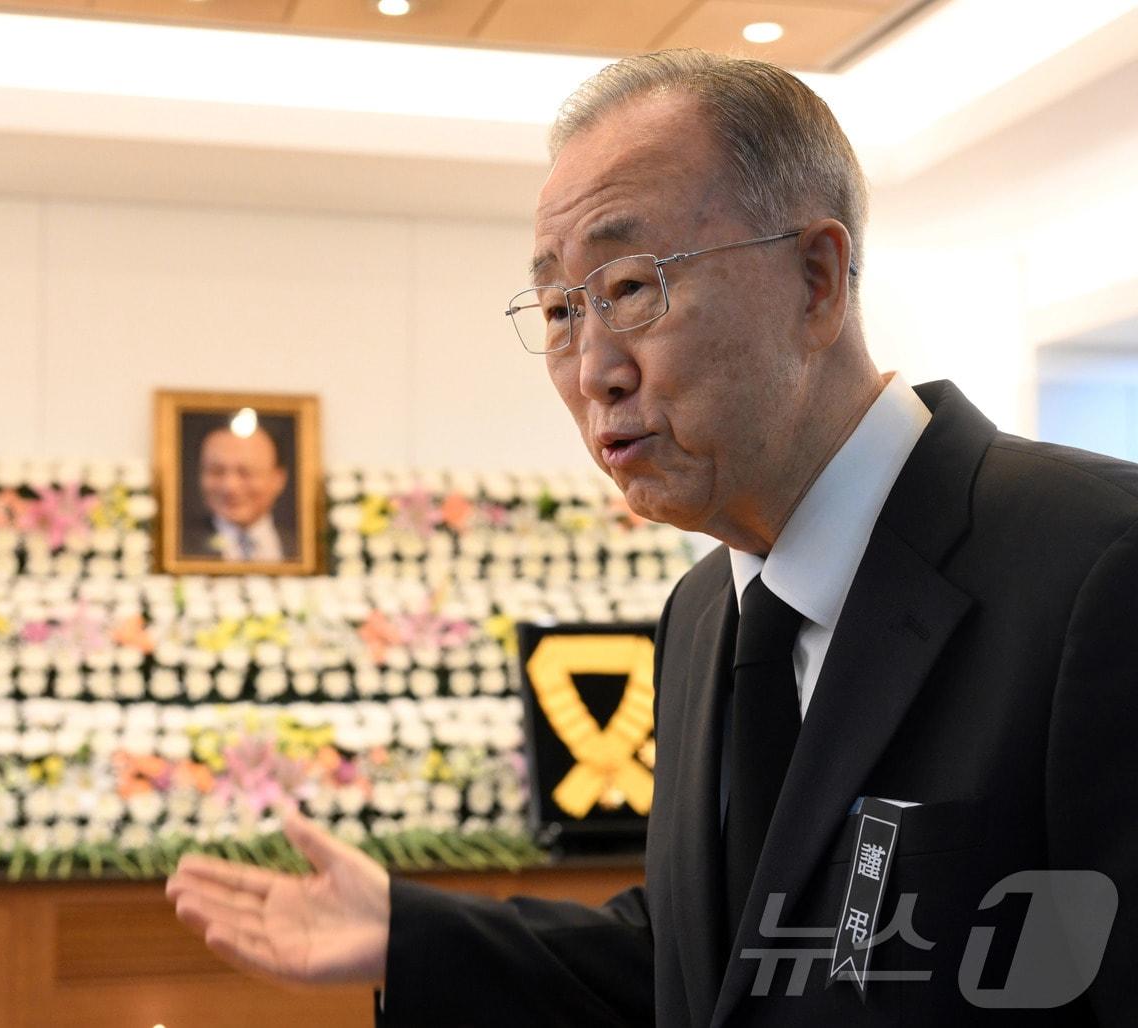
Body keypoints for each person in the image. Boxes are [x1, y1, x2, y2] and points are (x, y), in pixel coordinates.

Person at [166, 49, 1137, 1025]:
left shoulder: (1097, 564)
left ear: (815, 279)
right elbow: (712, 961)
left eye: (629, 286)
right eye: (555, 310)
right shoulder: (704, 611)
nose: (592, 369)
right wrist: (413, 933)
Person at [191, 423, 291, 562]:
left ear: (278, 479)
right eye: (217, 471)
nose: (230, 487)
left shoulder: (307, 548)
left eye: (246, 472)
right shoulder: (177, 548)